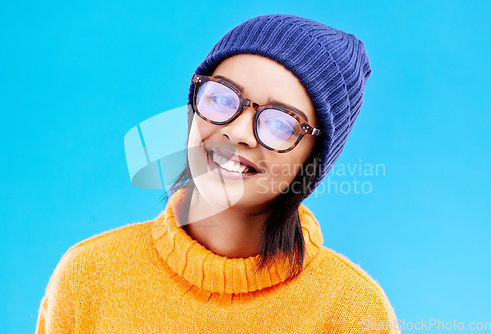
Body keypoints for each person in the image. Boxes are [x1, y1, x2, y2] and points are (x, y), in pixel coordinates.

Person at [36, 14, 400, 334]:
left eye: (279, 123)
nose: (238, 133)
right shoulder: (89, 275)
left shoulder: (352, 311)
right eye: (223, 99)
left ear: (313, 159)